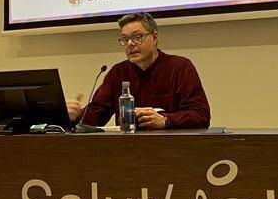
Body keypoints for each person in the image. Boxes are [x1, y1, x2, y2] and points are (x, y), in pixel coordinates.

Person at [69, 12, 210, 130]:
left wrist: (165, 120)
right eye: (125, 39)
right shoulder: (119, 72)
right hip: (128, 151)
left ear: (154, 38)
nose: (130, 44)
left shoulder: (180, 67)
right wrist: (73, 116)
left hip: (171, 149)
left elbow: (200, 115)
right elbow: (96, 115)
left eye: (137, 37)